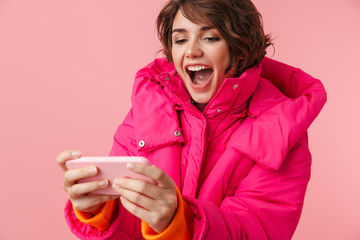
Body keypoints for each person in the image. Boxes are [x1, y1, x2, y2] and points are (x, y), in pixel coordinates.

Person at [56, 0, 327, 239]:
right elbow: (134, 226)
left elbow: (257, 230)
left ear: (240, 49)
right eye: (181, 39)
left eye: (209, 38)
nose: (192, 51)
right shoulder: (147, 108)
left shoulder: (281, 126)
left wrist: (179, 220)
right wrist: (100, 209)